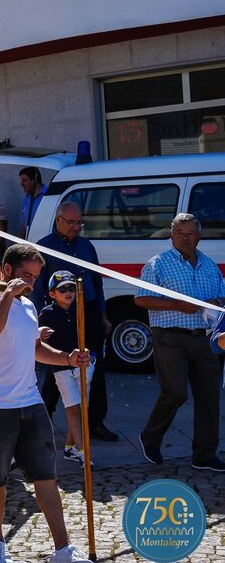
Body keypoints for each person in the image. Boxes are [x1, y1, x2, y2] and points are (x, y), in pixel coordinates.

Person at [0, 244, 94, 563]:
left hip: (31, 403)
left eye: (35, 277)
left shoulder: (28, 305)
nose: (30, 283)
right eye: (26, 275)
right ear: (8, 270)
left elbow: (36, 349)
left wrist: (68, 358)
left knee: (46, 476)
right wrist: (7, 296)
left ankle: (63, 547)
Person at [136, 213, 225, 471]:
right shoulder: (158, 264)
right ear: (171, 235)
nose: (185, 238)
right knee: (175, 392)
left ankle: (204, 455)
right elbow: (141, 298)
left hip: (206, 339)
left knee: (209, 397)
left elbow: (221, 297)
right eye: (180, 233)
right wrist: (176, 304)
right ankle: (150, 437)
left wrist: (216, 303)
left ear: (199, 236)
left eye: (190, 233)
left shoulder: (209, 265)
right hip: (170, 337)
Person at [32, 201, 116, 442]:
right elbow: (38, 288)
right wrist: (39, 321)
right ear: (58, 220)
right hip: (57, 314)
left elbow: (96, 282)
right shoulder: (45, 247)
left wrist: (101, 313)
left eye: (80, 222)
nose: (77, 226)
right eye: (71, 222)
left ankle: (95, 421)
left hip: (88, 311)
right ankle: (43, 419)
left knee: (94, 367)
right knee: (57, 367)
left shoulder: (87, 245)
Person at [37, 271, 94, 467]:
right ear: (53, 294)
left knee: (81, 407)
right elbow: (40, 344)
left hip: (82, 364)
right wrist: (40, 335)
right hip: (61, 368)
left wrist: (90, 353)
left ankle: (71, 448)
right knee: (73, 410)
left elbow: (88, 335)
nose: (68, 292)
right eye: (63, 289)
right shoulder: (47, 313)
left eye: (72, 288)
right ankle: (83, 453)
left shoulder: (80, 309)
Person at [19, 166, 46, 238]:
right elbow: (23, 226)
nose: (21, 184)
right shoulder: (25, 200)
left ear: (34, 180)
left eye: (24, 180)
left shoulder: (48, 196)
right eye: (21, 180)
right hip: (30, 242)